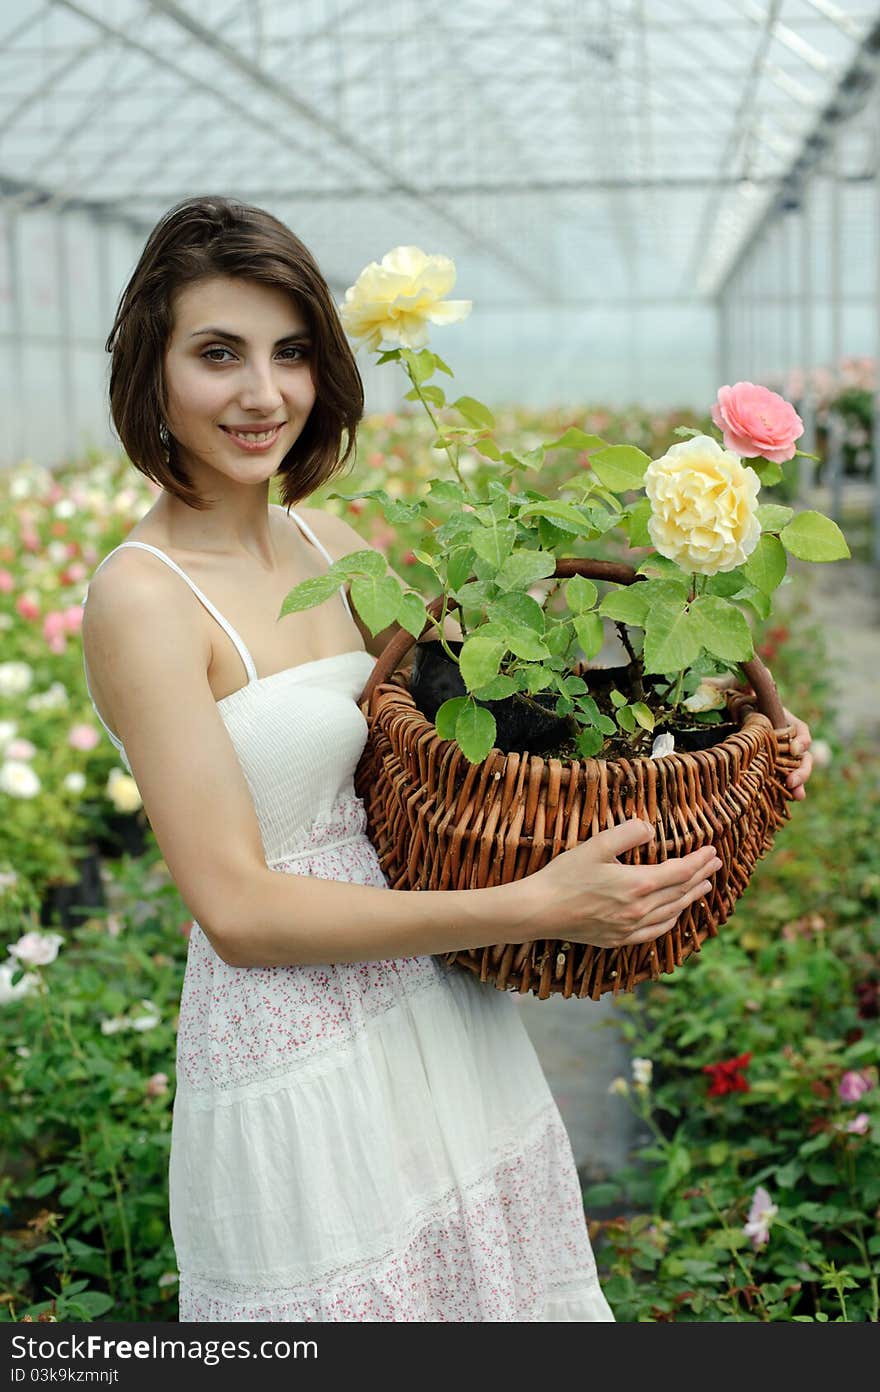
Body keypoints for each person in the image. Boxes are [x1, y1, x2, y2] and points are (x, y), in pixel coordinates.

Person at [80, 196, 815, 1323]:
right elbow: (236, 910)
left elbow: (473, 747)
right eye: (216, 353)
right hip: (298, 1053)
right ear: (150, 367)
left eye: (290, 352)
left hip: (438, 1010)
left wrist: (732, 751)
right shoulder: (141, 599)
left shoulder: (332, 541)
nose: (262, 393)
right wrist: (532, 901)